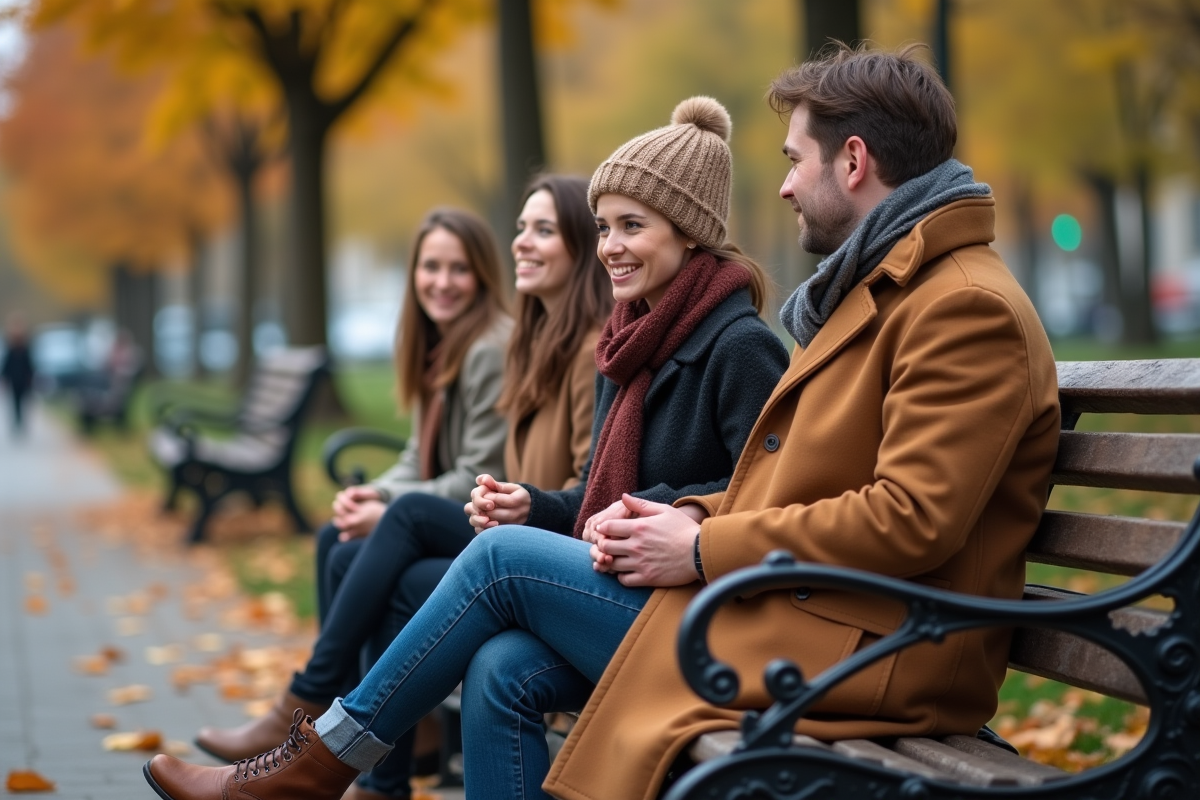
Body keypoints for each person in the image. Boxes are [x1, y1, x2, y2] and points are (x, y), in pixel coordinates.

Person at [143, 95, 791, 800]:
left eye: (633, 226)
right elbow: (589, 501)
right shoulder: (628, 343)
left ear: (692, 233)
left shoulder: (741, 348)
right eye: (604, 227)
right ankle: (326, 759)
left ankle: (317, 763)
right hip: (627, 593)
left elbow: (772, 499)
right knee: (498, 667)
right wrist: (533, 504)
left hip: (706, 618)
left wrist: (668, 512)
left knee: (491, 558)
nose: (610, 246)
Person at [195, 176, 613, 800]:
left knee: (404, 528)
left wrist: (402, 502)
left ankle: (312, 715)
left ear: (582, 247)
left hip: (531, 541)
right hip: (505, 530)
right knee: (344, 544)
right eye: (521, 228)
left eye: (543, 230)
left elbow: (572, 484)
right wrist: (377, 498)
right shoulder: (526, 342)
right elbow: (419, 456)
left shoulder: (545, 349)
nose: (522, 242)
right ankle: (363, 765)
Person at [1, 314, 35, 438]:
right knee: (15, 402)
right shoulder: (10, 348)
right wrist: (4, 377)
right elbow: (6, 364)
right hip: (14, 379)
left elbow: (30, 364)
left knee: (22, 401)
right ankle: (17, 421)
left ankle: (20, 421)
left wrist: (31, 377)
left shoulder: (25, 348)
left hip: (23, 380)